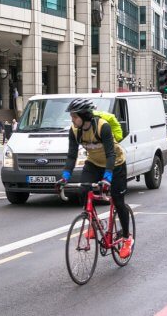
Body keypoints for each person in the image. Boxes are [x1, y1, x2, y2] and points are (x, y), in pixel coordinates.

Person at [58, 98, 133, 259]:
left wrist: (107, 177)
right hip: (93, 163)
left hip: (116, 164)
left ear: (84, 116)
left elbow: (111, 154)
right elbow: (71, 156)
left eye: (74, 116)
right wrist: (65, 177)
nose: (72, 119)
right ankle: (92, 223)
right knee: (84, 189)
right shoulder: (75, 130)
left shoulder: (102, 127)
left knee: (118, 201)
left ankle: (127, 238)